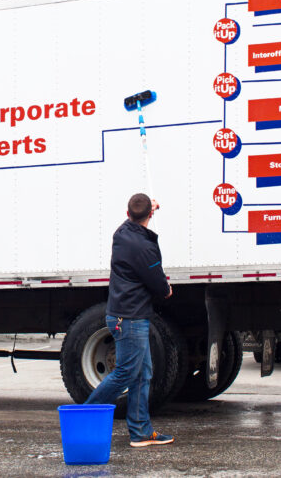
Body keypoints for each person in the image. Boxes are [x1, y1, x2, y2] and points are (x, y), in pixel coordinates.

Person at [83, 192, 175, 448]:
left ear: (127, 214)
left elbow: (137, 218)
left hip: (122, 314)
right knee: (125, 373)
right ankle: (85, 414)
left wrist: (149, 207)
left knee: (142, 374)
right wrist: (166, 289)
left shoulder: (121, 234)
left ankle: (140, 432)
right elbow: (157, 281)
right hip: (131, 318)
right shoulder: (144, 247)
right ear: (150, 215)